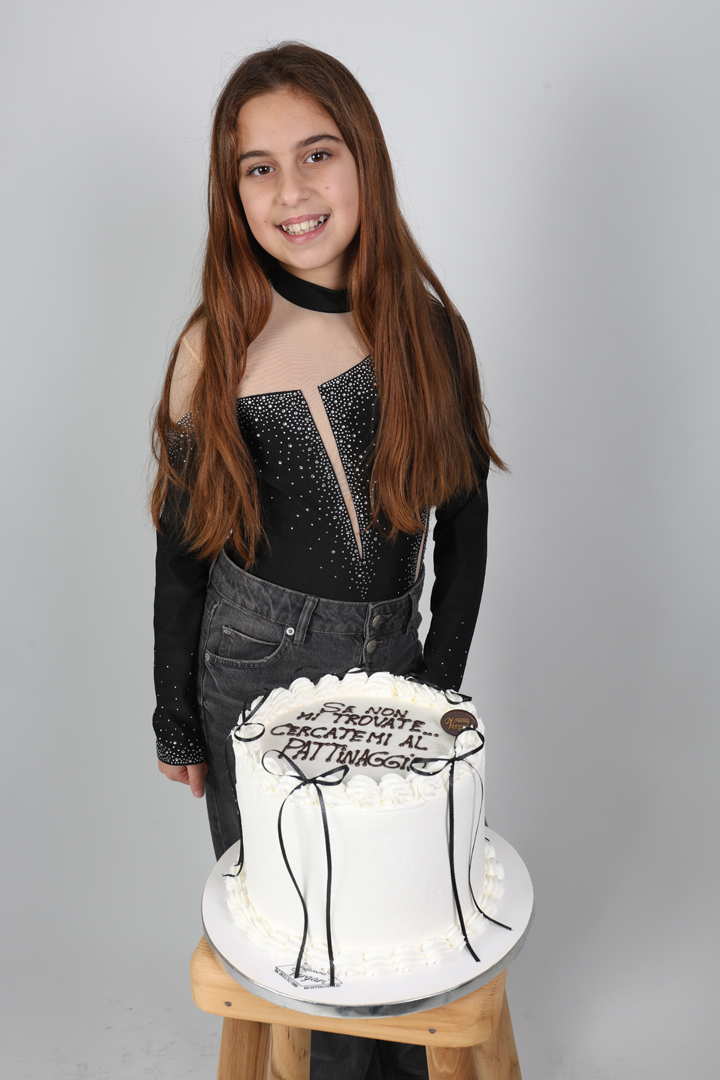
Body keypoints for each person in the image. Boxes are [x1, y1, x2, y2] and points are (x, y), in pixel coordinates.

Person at [151, 42, 505, 1080]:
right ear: (232, 194)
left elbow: (466, 525)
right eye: (258, 168)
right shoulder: (217, 345)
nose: (292, 192)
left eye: (317, 154)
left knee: (389, 918)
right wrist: (173, 713)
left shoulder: (427, 332)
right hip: (251, 664)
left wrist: (437, 683)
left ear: (364, 159)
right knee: (306, 929)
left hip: (392, 658)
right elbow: (182, 553)